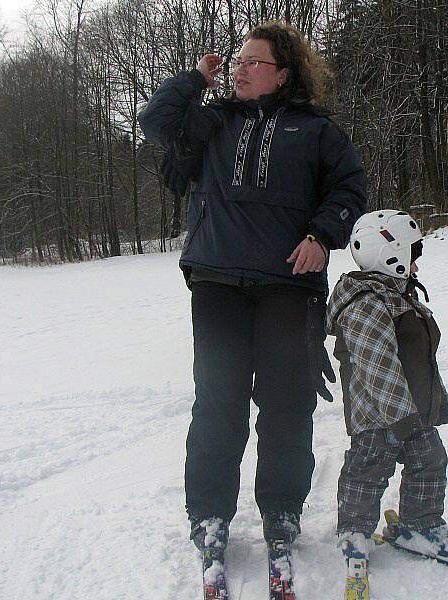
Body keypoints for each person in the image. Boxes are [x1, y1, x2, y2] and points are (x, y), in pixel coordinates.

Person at [137, 21, 367, 562]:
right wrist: (196, 78)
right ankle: (210, 517)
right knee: (218, 403)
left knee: (287, 404)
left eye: (252, 62)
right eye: (237, 62)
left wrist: (321, 234)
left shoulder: (316, 131)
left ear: (283, 73)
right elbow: (155, 122)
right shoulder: (212, 122)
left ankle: (282, 512)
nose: (240, 69)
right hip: (217, 281)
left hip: (289, 286)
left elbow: (350, 188)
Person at [326, 210, 448, 564]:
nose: (416, 266)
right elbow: (377, 363)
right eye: (412, 256)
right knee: (368, 470)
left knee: (430, 461)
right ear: (391, 257)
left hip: (412, 410)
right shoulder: (366, 302)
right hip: (378, 413)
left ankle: (422, 524)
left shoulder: (397, 293)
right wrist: (400, 417)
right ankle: (354, 532)